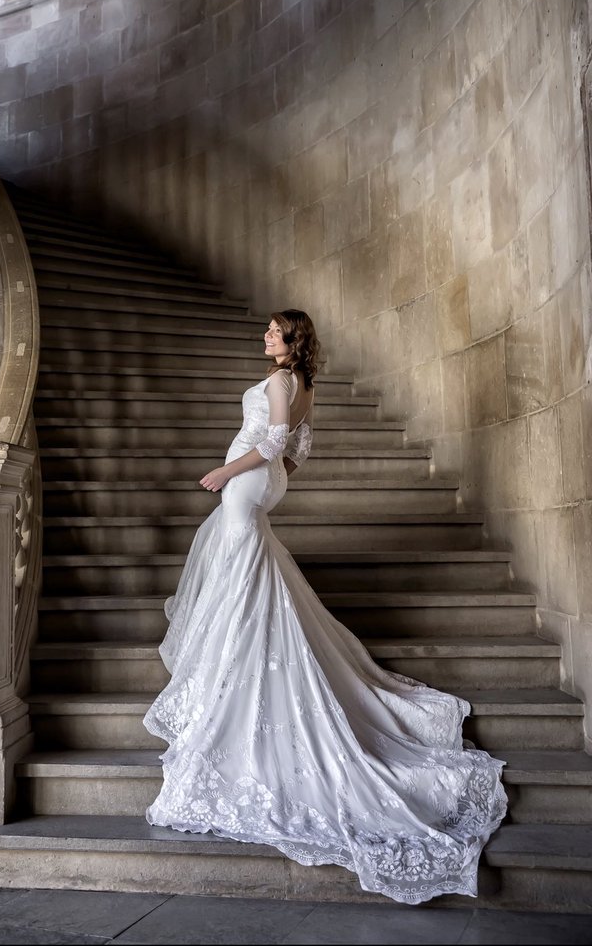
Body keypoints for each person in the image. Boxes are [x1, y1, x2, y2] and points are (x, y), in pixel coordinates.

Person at [143, 308, 507, 905]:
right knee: (246, 582)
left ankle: (232, 687)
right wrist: (271, 477)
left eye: (273, 329)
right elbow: (297, 451)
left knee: (241, 580)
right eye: (266, 328)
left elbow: (278, 439)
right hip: (262, 481)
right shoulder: (301, 382)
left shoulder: (284, 381)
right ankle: (232, 671)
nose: (264, 335)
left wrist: (226, 471)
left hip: (248, 479)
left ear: (292, 338)